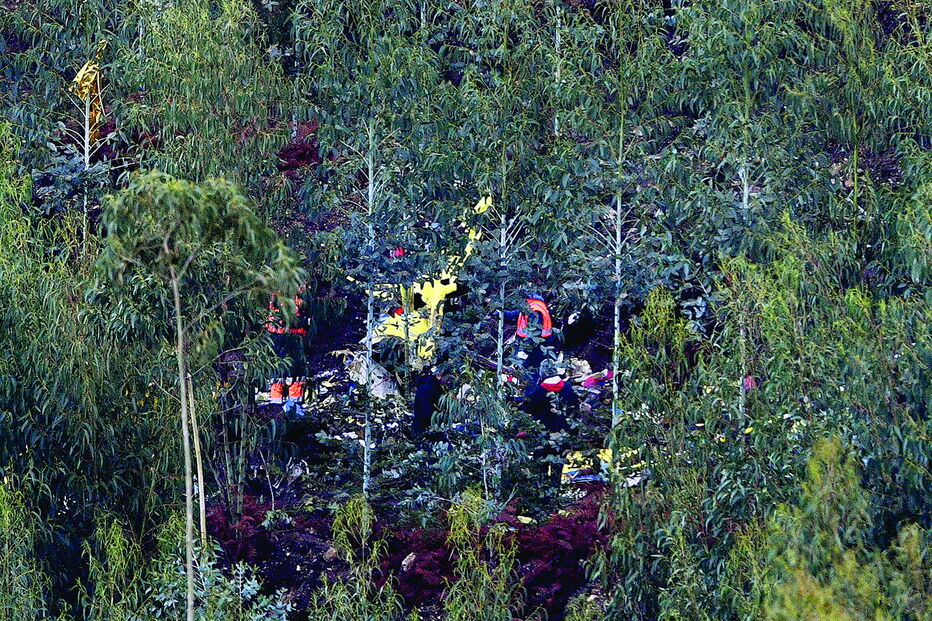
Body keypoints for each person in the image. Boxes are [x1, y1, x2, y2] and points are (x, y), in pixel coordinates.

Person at [265, 289, 309, 410]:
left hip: (291, 337)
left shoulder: (293, 293)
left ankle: (292, 407)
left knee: (294, 373)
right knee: (280, 374)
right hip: (281, 337)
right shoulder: (278, 294)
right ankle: (282, 407)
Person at [502, 292, 559, 373]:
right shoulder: (532, 306)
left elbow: (534, 335)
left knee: (530, 371)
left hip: (536, 347)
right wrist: (500, 313)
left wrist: (523, 353)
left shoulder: (534, 310)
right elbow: (514, 314)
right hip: (533, 345)